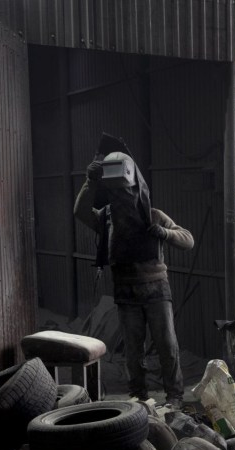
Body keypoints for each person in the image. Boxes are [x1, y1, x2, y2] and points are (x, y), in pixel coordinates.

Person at [74, 151, 194, 408]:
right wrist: (90, 182)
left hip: (156, 290)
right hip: (126, 291)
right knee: (133, 352)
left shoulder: (153, 215)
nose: (123, 197)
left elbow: (188, 239)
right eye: (117, 193)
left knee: (166, 345)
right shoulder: (107, 218)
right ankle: (139, 395)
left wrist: (164, 233)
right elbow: (80, 211)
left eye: (126, 193)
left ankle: (175, 396)